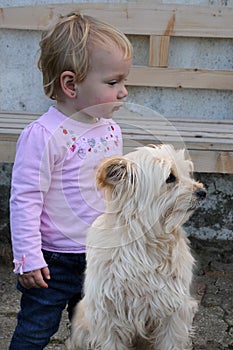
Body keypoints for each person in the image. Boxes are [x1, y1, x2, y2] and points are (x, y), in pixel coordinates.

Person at [9, 12, 133, 349]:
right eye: (113, 83)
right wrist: (28, 258)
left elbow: (113, 191)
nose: (123, 92)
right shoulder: (44, 136)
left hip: (98, 257)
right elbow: (26, 198)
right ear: (70, 84)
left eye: (123, 82)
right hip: (52, 263)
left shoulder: (110, 130)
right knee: (35, 330)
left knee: (94, 332)